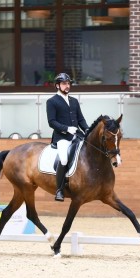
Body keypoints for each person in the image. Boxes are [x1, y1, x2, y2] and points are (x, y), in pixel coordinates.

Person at [46, 72, 89, 201]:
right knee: (64, 159)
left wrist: (87, 129)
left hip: (77, 135)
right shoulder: (52, 101)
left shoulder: (74, 101)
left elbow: (80, 119)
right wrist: (66, 129)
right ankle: (59, 189)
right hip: (62, 137)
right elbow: (51, 122)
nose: (67, 86)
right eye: (64, 84)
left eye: (68, 83)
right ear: (58, 85)